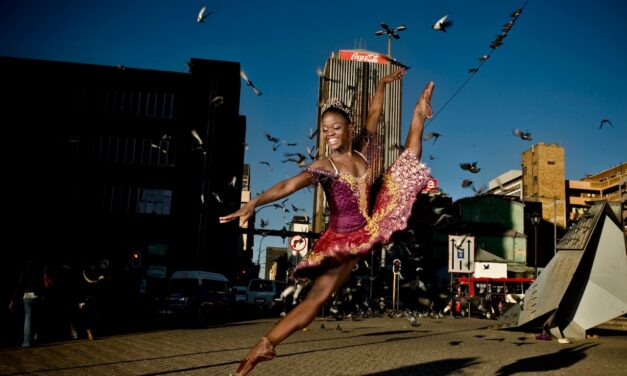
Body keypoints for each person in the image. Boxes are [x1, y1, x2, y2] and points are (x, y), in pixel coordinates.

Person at [220, 70, 434, 375]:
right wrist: (254, 202)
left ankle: (418, 113)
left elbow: (374, 113)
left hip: (369, 223)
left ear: (348, 129)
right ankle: (264, 345)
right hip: (344, 238)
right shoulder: (325, 166)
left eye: (335, 127)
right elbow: (288, 186)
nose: (329, 134)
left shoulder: (361, 149)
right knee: (315, 302)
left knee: (407, 163)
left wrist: (383, 84)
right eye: (324, 129)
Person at [9, 259, 45, 347]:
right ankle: (34, 339)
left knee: (28, 318)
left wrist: (13, 300)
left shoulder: (26, 268)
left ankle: (27, 342)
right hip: (37, 294)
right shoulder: (40, 267)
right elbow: (42, 282)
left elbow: (20, 284)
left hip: (28, 294)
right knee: (37, 317)